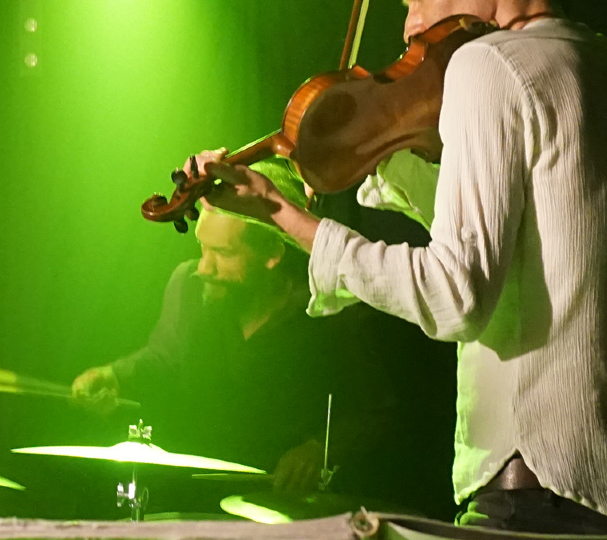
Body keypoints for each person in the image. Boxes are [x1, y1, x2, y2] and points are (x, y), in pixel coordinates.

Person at [184, 0, 607, 533]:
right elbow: (536, 248)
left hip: (531, 485)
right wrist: (381, 152)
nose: (411, 28)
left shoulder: (486, 64)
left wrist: (287, 215)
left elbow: (456, 294)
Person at [70, 165, 441, 513]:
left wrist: (319, 449)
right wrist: (115, 375)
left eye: (223, 253)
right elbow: (165, 353)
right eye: (203, 247)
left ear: (273, 254)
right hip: (193, 499)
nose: (203, 267)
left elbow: (378, 411)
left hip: (285, 506)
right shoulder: (187, 285)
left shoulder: (332, 308)